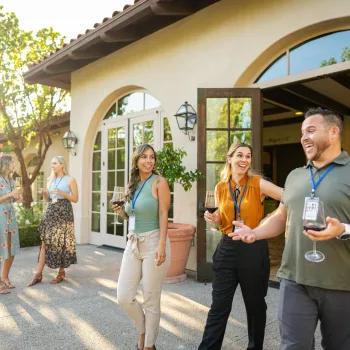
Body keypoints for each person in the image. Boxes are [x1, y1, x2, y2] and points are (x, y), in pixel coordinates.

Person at [229, 107, 350, 350]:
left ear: (334, 132)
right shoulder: (295, 175)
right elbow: (281, 215)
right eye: (302, 132)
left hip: (341, 284)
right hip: (294, 280)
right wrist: (255, 232)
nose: (304, 137)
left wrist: (343, 229)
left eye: (311, 131)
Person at [199, 142, 283, 350]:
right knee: (219, 307)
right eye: (240, 155)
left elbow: (288, 196)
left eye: (248, 156)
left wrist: (274, 216)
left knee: (255, 307)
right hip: (227, 248)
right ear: (229, 158)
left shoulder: (257, 183)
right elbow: (221, 219)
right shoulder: (220, 186)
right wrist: (213, 217)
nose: (244, 160)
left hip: (253, 248)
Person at [112, 144, 171, 350]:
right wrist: (120, 212)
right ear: (136, 160)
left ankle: (148, 346)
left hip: (154, 241)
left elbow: (163, 214)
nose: (149, 161)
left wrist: (162, 245)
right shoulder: (133, 184)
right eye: (144, 157)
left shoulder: (159, 182)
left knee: (151, 299)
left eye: (152, 157)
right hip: (133, 242)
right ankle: (145, 331)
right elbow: (131, 216)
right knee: (124, 297)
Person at [28, 156, 78, 286]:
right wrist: (45, 194)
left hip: (64, 213)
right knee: (45, 242)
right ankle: (38, 275)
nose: (52, 165)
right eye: (51, 163)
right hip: (51, 212)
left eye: (54, 163)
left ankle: (61, 272)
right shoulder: (51, 179)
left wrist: (63, 192)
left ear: (62, 165)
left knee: (62, 243)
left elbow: (75, 198)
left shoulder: (70, 179)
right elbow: (49, 199)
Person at [0, 155, 21, 294]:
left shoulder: (11, 180)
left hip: (10, 215)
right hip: (0, 215)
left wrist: (16, 197)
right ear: (6, 164)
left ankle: (5, 277)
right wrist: (9, 196)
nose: (14, 164)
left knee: (11, 246)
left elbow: (12, 199)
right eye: (13, 162)